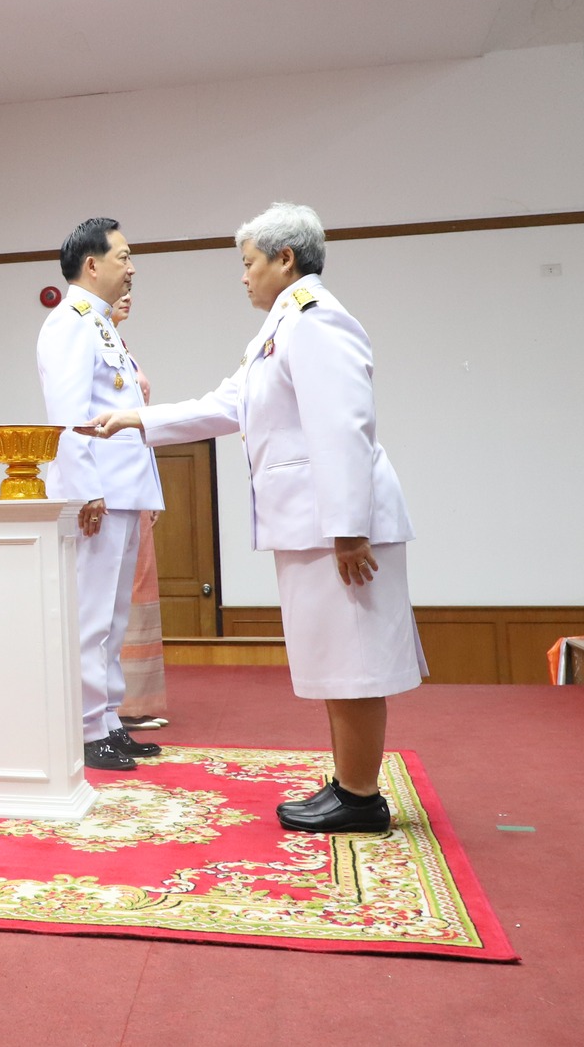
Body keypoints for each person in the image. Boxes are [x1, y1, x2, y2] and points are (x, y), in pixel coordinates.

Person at [88, 202, 423, 832]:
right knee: (331, 659)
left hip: (338, 529)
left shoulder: (319, 322)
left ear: (284, 258)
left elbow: (344, 429)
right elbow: (229, 403)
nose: (243, 277)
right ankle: (350, 784)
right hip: (312, 525)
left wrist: (349, 530)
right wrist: (140, 420)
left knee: (353, 661)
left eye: (248, 263)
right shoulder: (281, 327)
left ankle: (361, 799)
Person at [39, 218, 165, 773]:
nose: (132, 267)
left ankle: (110, 719)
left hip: (121, 491)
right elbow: (70, 417)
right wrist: (85, 491)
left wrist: (146, 491)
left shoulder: (102, 326)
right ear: (92, 264)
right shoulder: (68, 322)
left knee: (114, 618)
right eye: (123, 256)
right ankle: (87, 728)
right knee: (91, 617)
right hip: (98, 496)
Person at [111, 292, 170, 731]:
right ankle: (111, 704)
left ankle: (136, 699)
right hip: (112, 486)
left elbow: (142, 428)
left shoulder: (120, 347)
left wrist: (153, 491)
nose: (129, 295)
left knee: (140, 585)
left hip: (136, 481)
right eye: (121, 290)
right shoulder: (92, 341)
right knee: (114, 594)